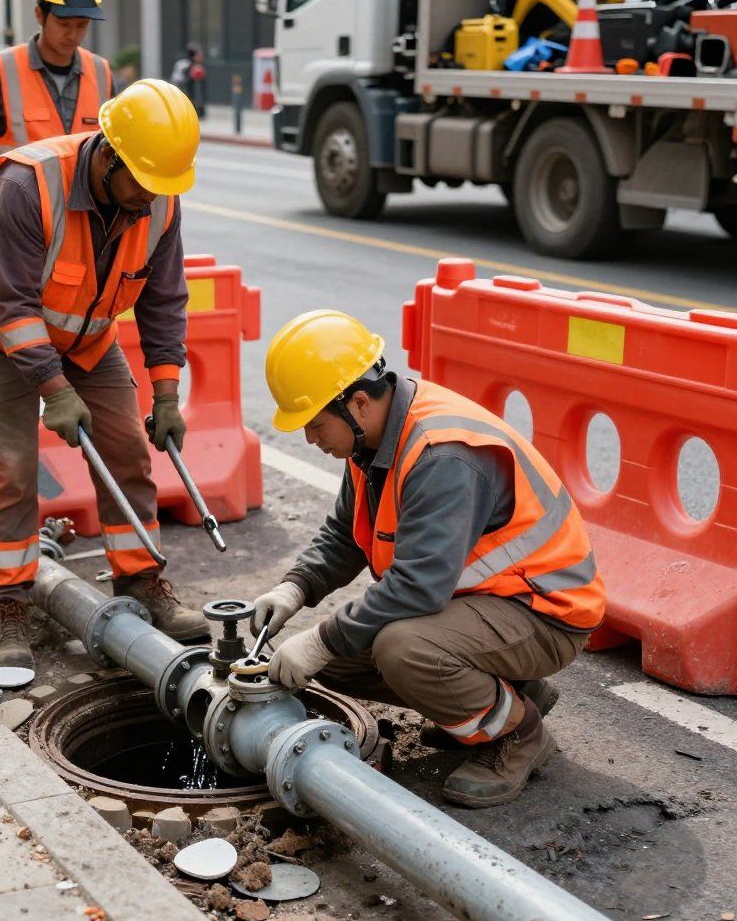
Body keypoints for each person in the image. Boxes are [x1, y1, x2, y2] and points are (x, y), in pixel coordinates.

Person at [253, 310, 606, 808]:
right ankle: (509, 693)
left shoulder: (442, 454)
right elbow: (345, 535)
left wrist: (321, 638)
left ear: (357, 401)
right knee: (337, 659)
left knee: (401, 648)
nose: (310, 438)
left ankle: (518, 734)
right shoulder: (371, 443)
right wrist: (294, 588)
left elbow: (418, 588)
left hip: (547, 612)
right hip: (488, 603)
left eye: (314, 424)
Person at [0, 78, 210, 668]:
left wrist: (166, 393)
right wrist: (54, 391)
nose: (150, 199)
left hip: (88, 337)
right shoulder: (25, 186)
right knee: (12, 469)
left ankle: (141, 579)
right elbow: (12, 305)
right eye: (142, 185)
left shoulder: (159, 194)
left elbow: (164, 300)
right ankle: (8, 604)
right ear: (110, 156)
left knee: (127, 451)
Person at [0, 0, 113, 229]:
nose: (73, 35)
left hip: (82, 234)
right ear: (40, 14)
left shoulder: (102, 74)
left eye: (81, 25)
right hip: (13, 230)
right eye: (63, 23)